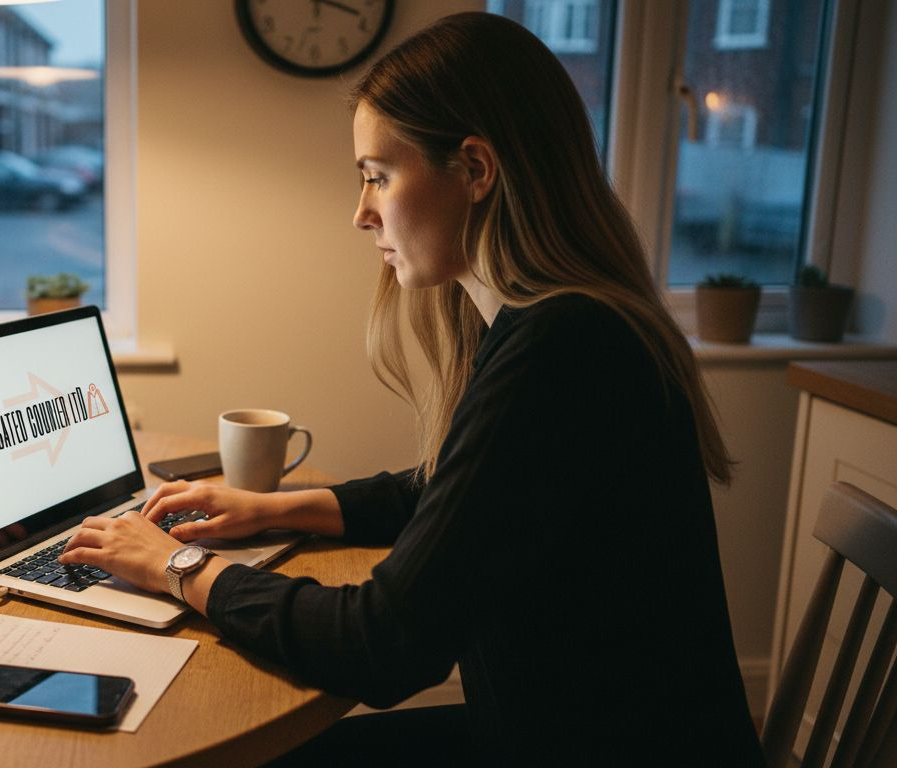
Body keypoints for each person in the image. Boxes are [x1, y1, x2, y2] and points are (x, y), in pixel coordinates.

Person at [60, 12, 764, 766]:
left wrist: (177, 567)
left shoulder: (563, 350)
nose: (361, 212)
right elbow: (453, 494)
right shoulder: (560, 327)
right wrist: (270, 508)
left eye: (377, 175)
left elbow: (383, 644)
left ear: (474, 170)